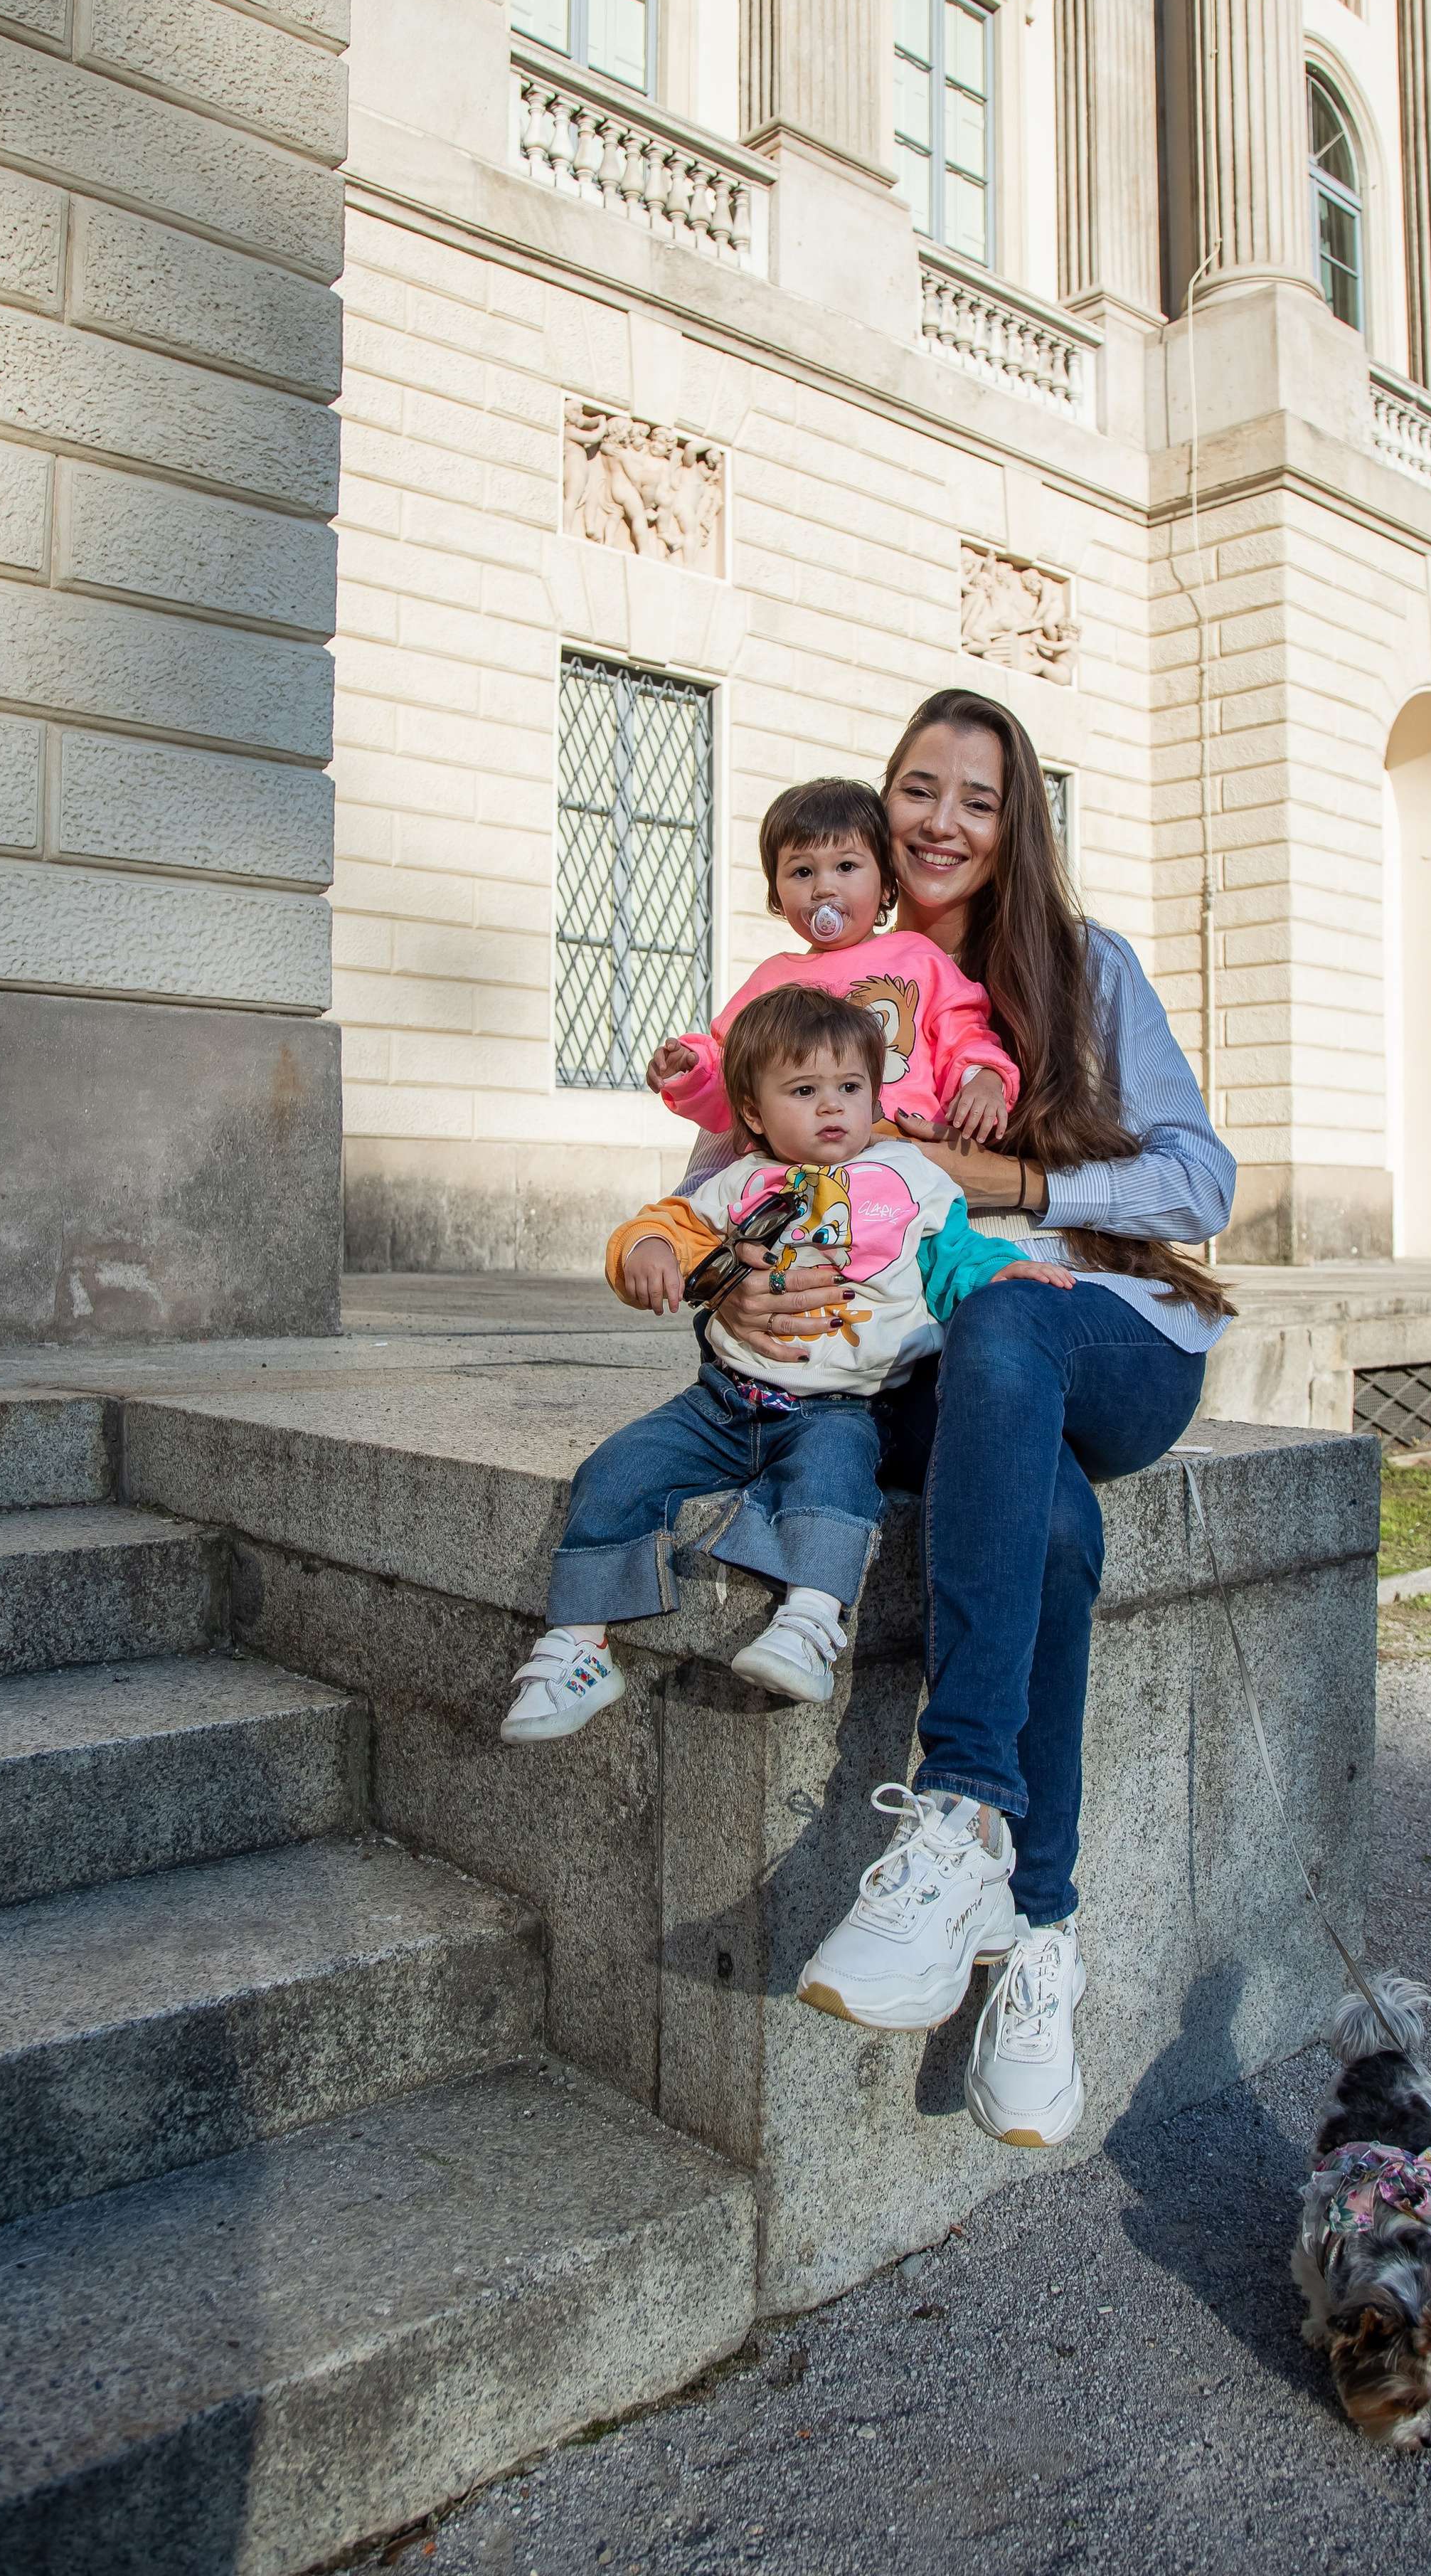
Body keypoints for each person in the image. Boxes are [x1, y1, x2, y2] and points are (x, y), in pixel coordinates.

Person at [686, 689, 1237, 2151]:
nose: (936, 823)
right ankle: (1033, 1928)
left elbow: (1200, 1180)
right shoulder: (803, 1000)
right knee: (1042, 1524)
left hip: (1100, 1331)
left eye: (975, 800)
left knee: (1007, 1326)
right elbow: (709, 1194)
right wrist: (729, 1295)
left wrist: (1024, 1189)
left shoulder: (1074, 968)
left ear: (1016, 824)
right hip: (918, 1376)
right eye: (914, 790)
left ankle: (956, 1807)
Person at [501, 985, 1074, 1742]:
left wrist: (1003, 1273)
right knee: (616, 1469)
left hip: (844, 1406)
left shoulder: (909, 1178)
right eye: (803, 1091)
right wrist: (646, 1254)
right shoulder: (738, 1183)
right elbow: (665, 1227)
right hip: (723, 1398)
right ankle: (580, 1645)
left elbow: (955, 1257)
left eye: (850, 1088)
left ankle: (808, 1623)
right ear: (751, 1112)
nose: (832, 1107)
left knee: (833, 1485)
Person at [647, 776, 1016, 1145]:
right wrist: (692, 1069)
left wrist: (984, 1081)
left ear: (888, 884)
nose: (824, 888)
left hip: (901, 1160)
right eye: (802, 872)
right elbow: (733, 1076)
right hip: (795, 1174)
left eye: (846, 867)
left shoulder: (921, 960)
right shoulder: (771, 982)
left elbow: (966, 1036)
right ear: (777, 895)